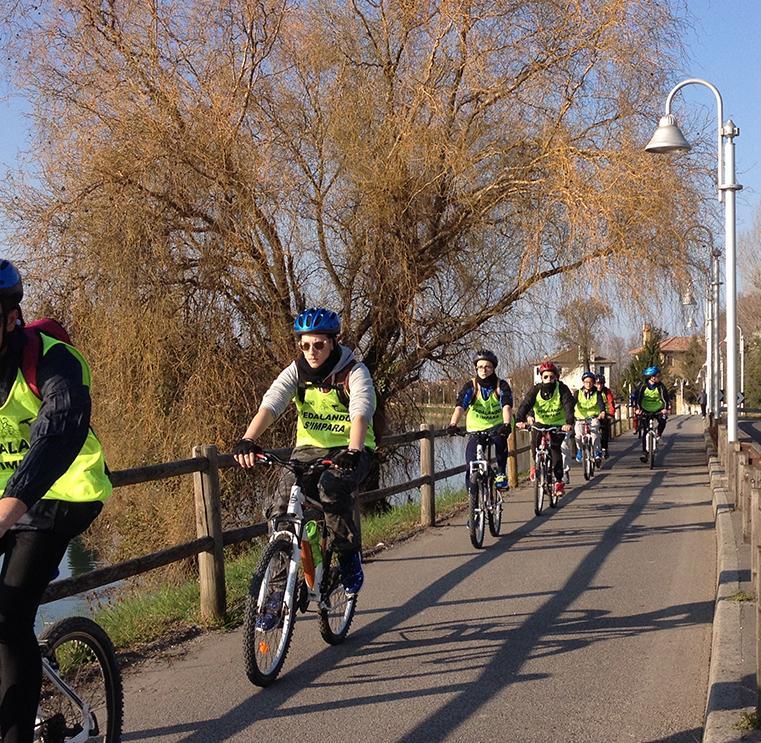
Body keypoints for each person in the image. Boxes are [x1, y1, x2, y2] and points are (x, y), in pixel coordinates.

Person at [0, 260, 112, 743]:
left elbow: (59, 430)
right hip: (9, 502)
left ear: (9, 317)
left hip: (64, 493)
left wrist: (10, 507)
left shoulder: (53, 359)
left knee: (9, 617)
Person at [233, 307, 375, 619]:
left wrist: (353, 449)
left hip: (352, 448)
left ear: (333, 342)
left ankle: (349, 558)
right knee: (282, 506)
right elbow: (272, 403)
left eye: (319, 345)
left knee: (331, 489)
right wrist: (248, 438)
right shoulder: (296, 371)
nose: (311, 352)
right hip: (308, 450)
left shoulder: (353, 372)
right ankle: (278, 591)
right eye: (305, 345)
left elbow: (362, 410)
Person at [446, 350, 513, 493]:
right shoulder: (471, 386)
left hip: (496, 426)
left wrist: (506, 424)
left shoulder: (501, 385)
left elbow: (506, 405)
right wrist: (453, 424)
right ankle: (472, 496)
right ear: (476, 368)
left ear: (493, 368)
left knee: (500, 442)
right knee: (470, 463)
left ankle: (501, 473)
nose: (483, 370)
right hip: (475, 429)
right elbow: (460, 407)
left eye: (487, 366)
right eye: (480, 366)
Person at [515, 362, 574, 497]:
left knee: (555, 449)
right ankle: (535, 467)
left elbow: (568, 406)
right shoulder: (535, 390)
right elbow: (526, 403)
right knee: (535, 444)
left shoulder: (562, 389)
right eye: (545, 377)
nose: (548, 380)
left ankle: (558, 481)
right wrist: (519, 419)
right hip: (541, 422)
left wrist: (569, 422)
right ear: (541, 378)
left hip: (558, 424)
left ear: (556, 377)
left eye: (551, 377)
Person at [632, 365, 671, 463]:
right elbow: (637, 398)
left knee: (663, 421)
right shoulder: (642, 386)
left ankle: (658, 434)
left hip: (658, 409)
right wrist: (637, 409)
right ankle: (645, 453)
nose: (659, 377)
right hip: (645, 409)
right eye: (657, 376)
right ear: (652, 377)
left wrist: (665, 409)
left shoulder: (660, 386)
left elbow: (665, 398)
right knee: (645, 431)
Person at [572, 371, 606, 467]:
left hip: (593, 418)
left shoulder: (597, 393)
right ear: (583, 382)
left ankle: (597, 452)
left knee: (595, 435)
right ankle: (579, 450)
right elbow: (571, 404)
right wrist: (569, 414)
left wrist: (602, 412)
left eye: (590, 382)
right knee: (578, 436)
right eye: (586, 382)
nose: (588, 384)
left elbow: (601, 403)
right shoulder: (577, 393)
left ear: (593, 382)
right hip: (580, 418)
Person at [595, 373, 616, 458]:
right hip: (595, 413)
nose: (599, 386)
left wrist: (611, 413)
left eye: (601, 384)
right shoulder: (592, 391)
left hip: (605, 413)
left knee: (604, 431)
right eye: (597, 384)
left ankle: (604, 448)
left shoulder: (607, 391)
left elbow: (611, 402)